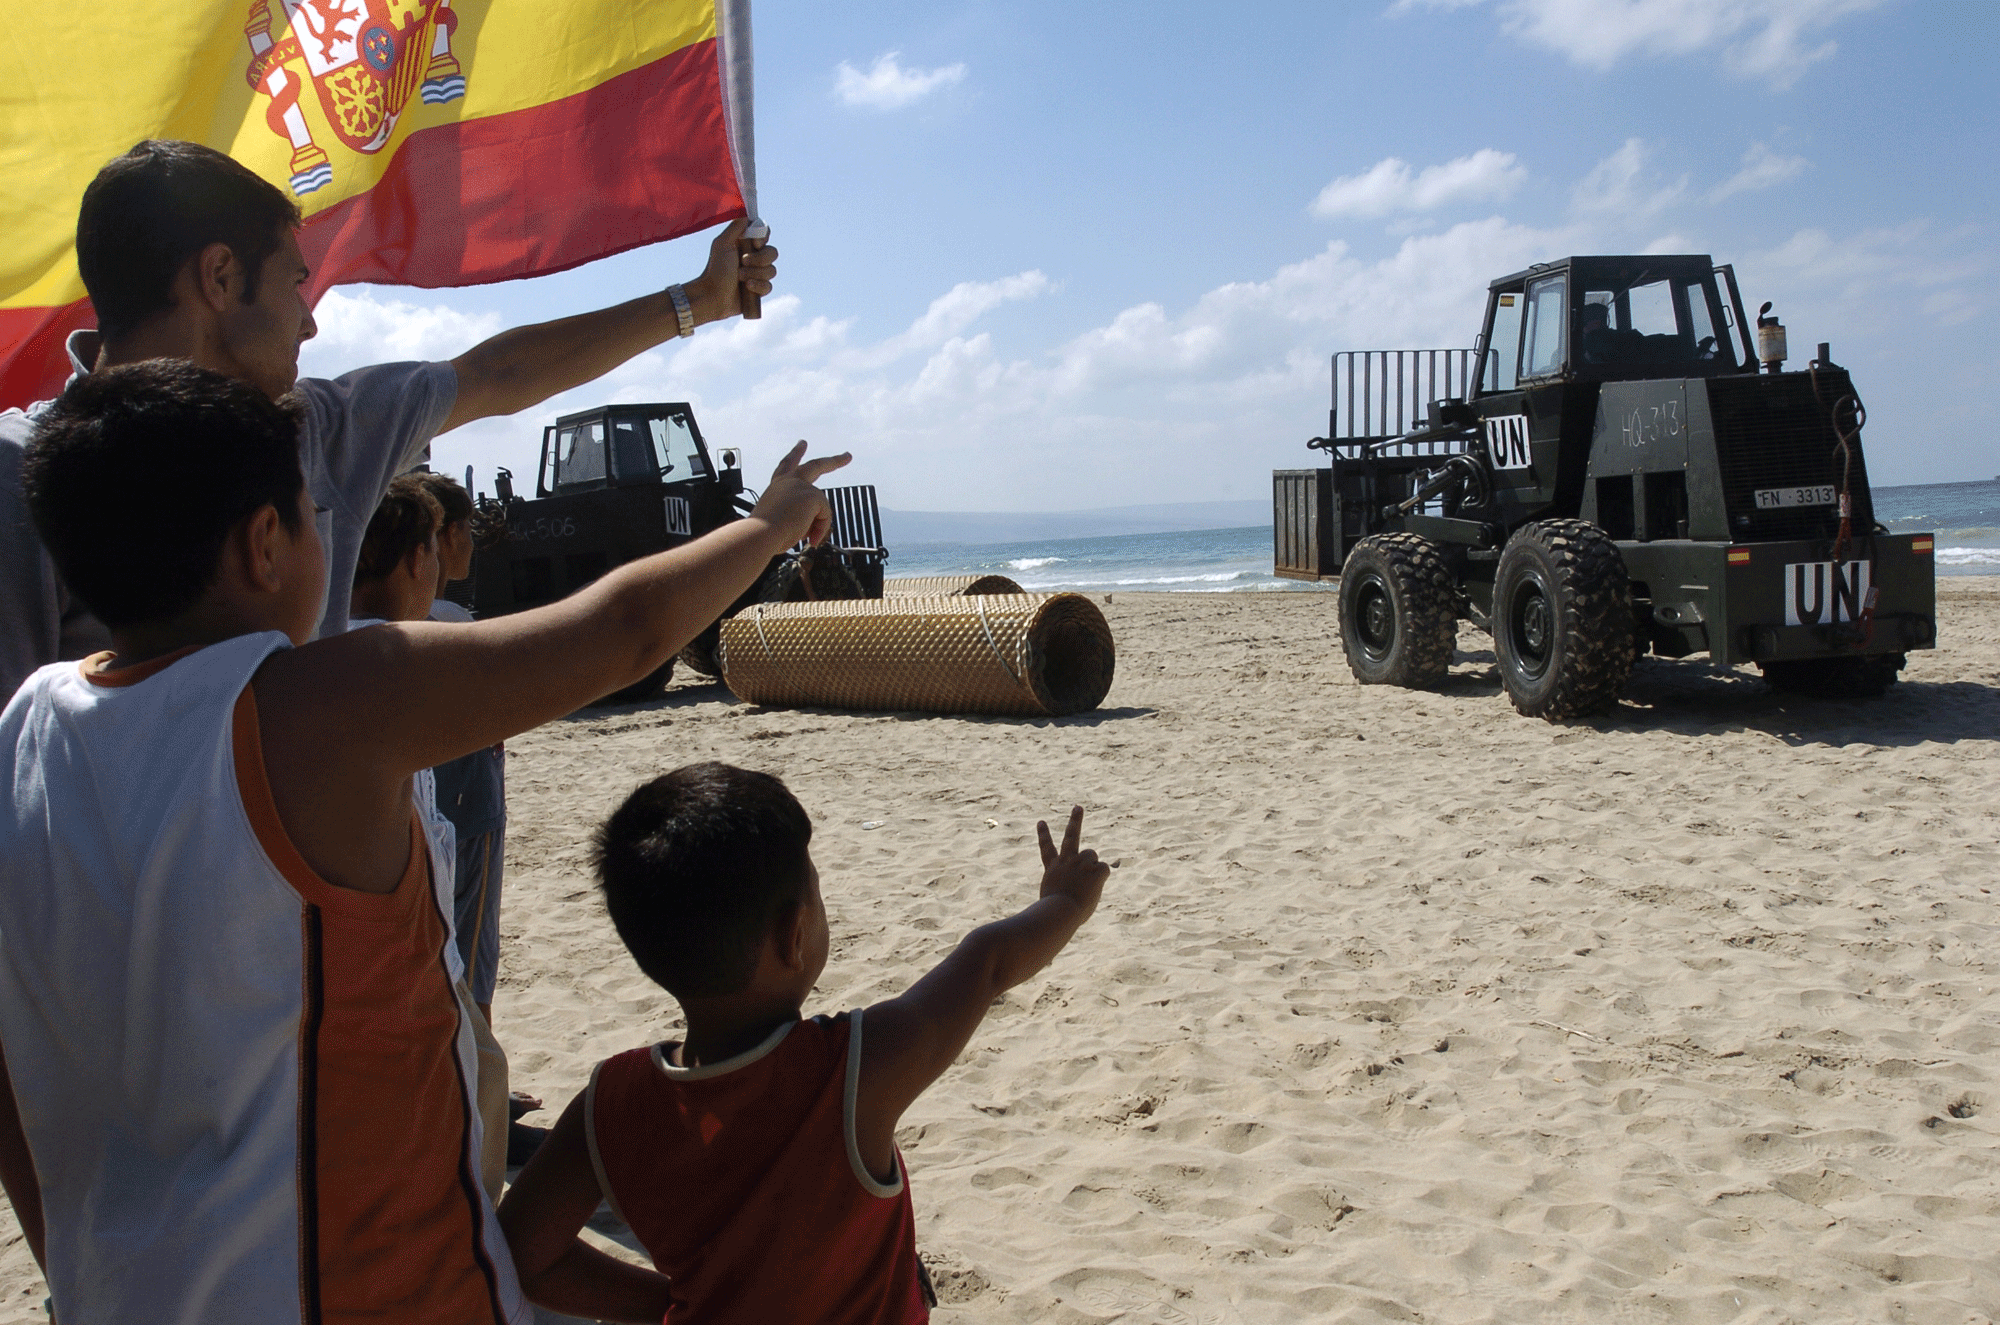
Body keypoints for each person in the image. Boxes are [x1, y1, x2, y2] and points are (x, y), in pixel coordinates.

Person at [0, 360, 845, 1322]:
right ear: (266, 541)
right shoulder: (313, 706)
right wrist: (773, 522)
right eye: (318, 514)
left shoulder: (26, 727)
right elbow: (624, 628)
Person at [0, 138, 777, 699]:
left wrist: (696, 303)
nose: (308, 324)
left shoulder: (322, 426)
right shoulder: (20, 477)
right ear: (220, 275)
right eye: (295, 283)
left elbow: (498, 373)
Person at [497, 764, 1112, 1324]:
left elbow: (524, 1254)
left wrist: (684, 1305)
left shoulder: (609, 1103)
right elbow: (989, 960)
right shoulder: (853, 1071)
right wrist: (1067, 901)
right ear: (794, 936)